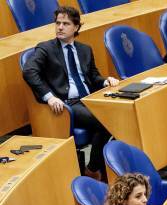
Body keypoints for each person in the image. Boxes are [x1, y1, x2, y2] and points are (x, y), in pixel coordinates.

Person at [22, 6, 119, 181]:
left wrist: (105, 81)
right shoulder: (45, 49)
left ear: (76, 27)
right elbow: (29, 71)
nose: (60, 27)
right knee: (106, 121)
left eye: (65, 23)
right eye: (58, 23)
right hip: (69, 103)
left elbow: (93, 77)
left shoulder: (85, 49)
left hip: (89, 99)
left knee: (119, 114)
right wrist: (49, 97)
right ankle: (93, 168)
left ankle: (105, 166)